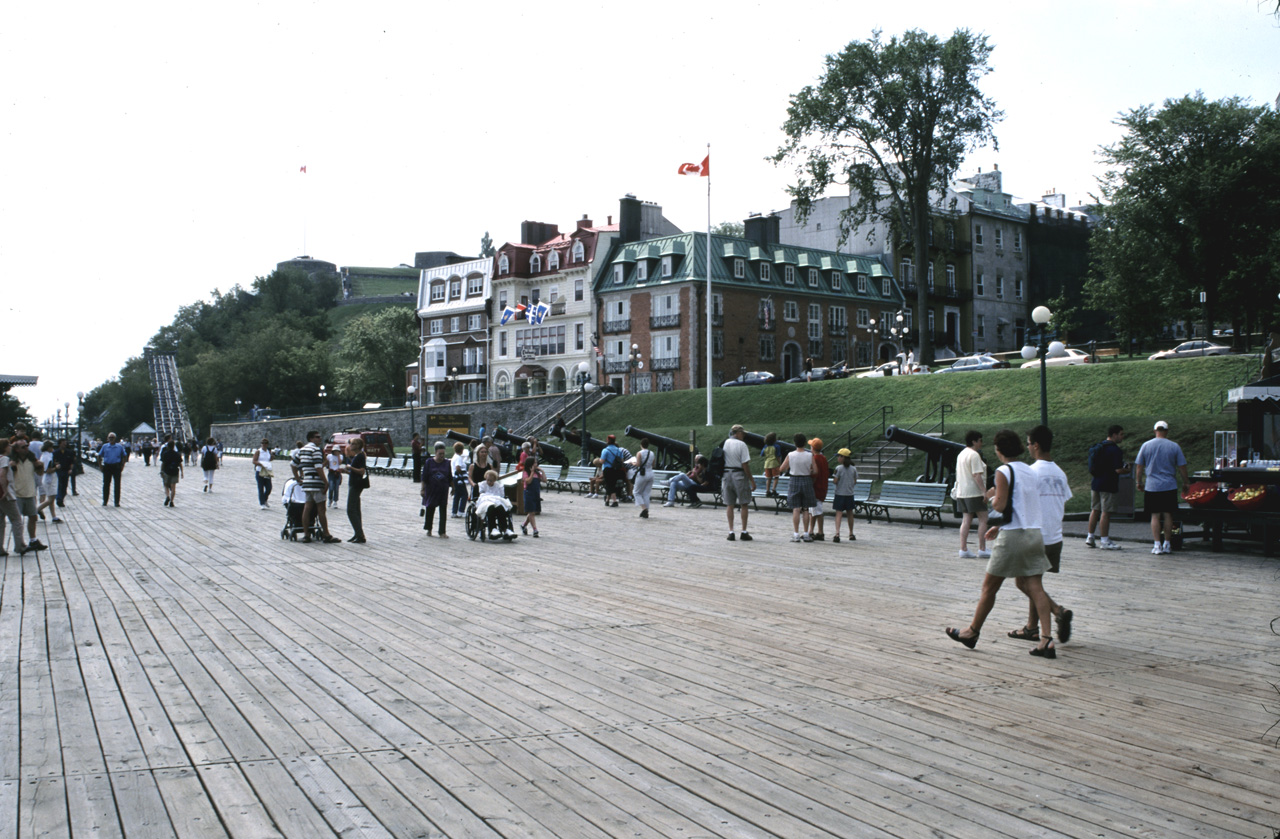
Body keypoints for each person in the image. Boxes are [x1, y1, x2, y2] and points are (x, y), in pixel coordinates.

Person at [946, 429, 1058, 659]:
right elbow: (1023, 503)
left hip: (1013, 537)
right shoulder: (1030, 470)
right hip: (1034, 532)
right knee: (1036, 587)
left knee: (990, 587)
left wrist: (992, 498)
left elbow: (1000, 505)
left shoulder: (1003, 471)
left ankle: (971, 632)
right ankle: (1046, 640)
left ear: (998, 450)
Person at [1011, 425, 1075, 644]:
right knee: (1035, 581)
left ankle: (1057, 610)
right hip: (1055, 537)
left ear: (1036, 445)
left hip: (1034, 536)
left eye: (1028, 443)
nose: (1027, 447)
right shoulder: (1060, 473)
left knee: (1023, 582)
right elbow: (1061, 501)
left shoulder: (1031, 472)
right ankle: (1031, 627)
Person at [1133, 420, 1188, 555]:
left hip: (1152, 485)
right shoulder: (1174, 446)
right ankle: (1167, 543)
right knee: (1168, 514)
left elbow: (1139, 466)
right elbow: (1182, 466)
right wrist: (1186, 482)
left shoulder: (1146, 445)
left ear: (1154, 431)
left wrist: (1138, 482)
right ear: (1167, 431)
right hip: (1169, 485)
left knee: (1155, 515)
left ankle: (1157, 544)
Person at [291, 430, 340, 543]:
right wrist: (325, 482)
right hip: (317, 482)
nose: (320, 439)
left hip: (307, 482)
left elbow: (293, 464)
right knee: (321, 509)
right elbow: (318, 467)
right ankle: (326, 534)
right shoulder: (316, 450)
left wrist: (298, 478)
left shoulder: (302, 450)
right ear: (311, 439)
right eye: (317, 437)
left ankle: (306, 534)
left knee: (307, 508)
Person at [1085, 425, 1129, 550]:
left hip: (1096, 482)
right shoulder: (1115, 450)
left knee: (1095, 510)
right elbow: (1118, 469)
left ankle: (1090, 536)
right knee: (1106, 512)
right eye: (1121, 434)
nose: (1122, 437)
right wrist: (1127, 470)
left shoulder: (1099, 447)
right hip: (1108, 484)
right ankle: (1104, 540)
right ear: (1114, 435)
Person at [955, 430, 990, 559]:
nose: (982, 443)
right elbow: (977, 475)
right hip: (974, 492)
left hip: (962, 492)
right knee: (983, 519)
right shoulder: (974, 455)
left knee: (966, 520)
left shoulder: (961, 454)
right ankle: (982, 548)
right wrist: (983, 491)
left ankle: (963, 549)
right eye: (980, 440)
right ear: (974, 441)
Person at [7, 439, 46, 554]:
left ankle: (33, 540)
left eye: (26, 446)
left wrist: (40, 466)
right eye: (23, 447)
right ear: (17, 449)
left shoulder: (31, 460)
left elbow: (40, 473)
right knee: (17, 521)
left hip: (30, 492)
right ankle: (19, 543)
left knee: (33, 517)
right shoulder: (12, 461)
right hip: (16, 493)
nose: (26, 448)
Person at [721, 424, 756, 541]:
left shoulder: (726, 443)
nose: (744, 436)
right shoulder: (742, 445)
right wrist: (751, 479)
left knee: (729, 504)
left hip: (726, 474)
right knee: (744, 503)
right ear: (738, 433)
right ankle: (743, 531)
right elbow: (745, 464)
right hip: (739, 475)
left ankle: (731, 531)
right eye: (743, 433)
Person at [0, 439, 33, 556]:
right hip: (6, 495)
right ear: (4, 448)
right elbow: (2, 475)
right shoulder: (4, 459)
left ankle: (0, 548)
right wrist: (5, 490)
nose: (10, 448)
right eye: (8, 446)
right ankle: (20, 546)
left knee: (1, 522)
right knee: (16, 520)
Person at [780, 434, 815, 542]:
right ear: (804, 443)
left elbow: (782, 468)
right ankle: (805, 533)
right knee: (805, 509)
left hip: (794, 480)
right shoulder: (810, 455)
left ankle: (796, 534)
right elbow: (816, 470)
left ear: (795, 443)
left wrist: (790, 468)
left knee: (796, 508)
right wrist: (809, 470)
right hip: (806, 480)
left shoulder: (790, 455)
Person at [421, 441, 451, 536]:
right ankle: (429, 529)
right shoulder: (429, 462)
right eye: (440, 454)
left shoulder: (447, 463)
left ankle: (442, 531)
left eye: (443, 453)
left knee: (443, 511)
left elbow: (450, 476)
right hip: (431, 489)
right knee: (430, 509)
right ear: (435, 452)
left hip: (443, 490)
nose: (442, 455)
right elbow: (424, 477)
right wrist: (422, 489)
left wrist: (453, 488)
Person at [475, 469, 516, 540]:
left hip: (497, 500)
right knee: (490, 508)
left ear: (494, 480)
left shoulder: (499, 485)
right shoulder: (482, 484)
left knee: (500, 507)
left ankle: (505, 529)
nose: (489, 482)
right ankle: (493, 529)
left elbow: (501, 496)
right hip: (486, 500)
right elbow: (482, 495)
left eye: (491, 480)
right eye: (488, 480)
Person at [831, 447, 858, 543]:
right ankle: (851, 533)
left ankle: (837, 533)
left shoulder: (838, 468)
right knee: (850, 513)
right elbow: (855, 481)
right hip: (849, 494)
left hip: (840, 494)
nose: (838, 458)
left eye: (839, 456)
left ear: (843, 457)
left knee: (839, 513)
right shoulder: (853, 469)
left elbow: (835, 481)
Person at [344, 438, 368, 543]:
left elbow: (361, 471)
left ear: (358, 445)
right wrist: (347, 471)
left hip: (356, 485)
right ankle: (358, 533)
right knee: (356, 509)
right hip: (354, 483)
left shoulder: (360, 456)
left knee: (351, 510)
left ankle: (360, 534)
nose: (351, 446)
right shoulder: (357, 456)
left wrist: (350, 467)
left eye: (353, 444)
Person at [807, 438, 829, 540]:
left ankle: (820, 532)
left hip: (816, 488)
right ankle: (811, 530)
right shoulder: (823, 458)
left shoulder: (815, 459)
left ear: (813, 448)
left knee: (818, 511)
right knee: (813, 511)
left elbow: (815, 475)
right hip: (822, 487)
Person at [98, 432, 127, 506]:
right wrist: (100, 466)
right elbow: (99, 456)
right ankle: (105, 501)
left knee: (117, 485)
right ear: (108, 438)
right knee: (106, 484)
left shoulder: (119, 447)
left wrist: (122, 465)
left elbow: (124, 456)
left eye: (112, 438)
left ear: (115, 438)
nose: (111, 439)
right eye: (110, 438)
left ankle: (117, 502)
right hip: (107, 466)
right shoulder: (105, 446)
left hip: (116, 467)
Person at [631, 439, 655, 518]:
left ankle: (644, 509)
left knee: (636, 492)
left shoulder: (639, 453)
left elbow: (638, 464)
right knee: (646, 493)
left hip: (642, 474)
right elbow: (653, 464)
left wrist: (632, 463)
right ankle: (646, 511)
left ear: (641, 445)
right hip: (650, 473)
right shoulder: (652, 453)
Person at [521, 457, 544, 536]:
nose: (536, 464)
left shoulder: (537, 474)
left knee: (532, 512)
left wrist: (542, 471)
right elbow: (528, 481)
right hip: (528, 493)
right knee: (531, 512)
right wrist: (531, 472)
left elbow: (544, 480)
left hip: (536, 493)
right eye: (534, 463)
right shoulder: (525, 472)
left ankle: (524, 525)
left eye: (536, 463)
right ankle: (535, 529)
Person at [600, 434, 626, 507]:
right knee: (611, 484)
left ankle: (615, 501)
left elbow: (602, 461)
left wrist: (599, 459)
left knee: (609, 485)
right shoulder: (619, 450)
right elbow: (622, 460)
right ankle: (607, 501)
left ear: (608, 440)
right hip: (616, 469)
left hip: (607, 470)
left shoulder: (605, 450)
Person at [36, 443, 59, 523]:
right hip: (50, 479)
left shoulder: (44, 456)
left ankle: (54, 516)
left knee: (51, 498)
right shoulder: (48, 457)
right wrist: (56, 467)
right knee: (51, 499)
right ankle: (37, 509)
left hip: (46, 478)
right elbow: (48, 470)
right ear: (49, 447)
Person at [159, 434, 183, 507]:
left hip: (167, 471)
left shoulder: (165, 454)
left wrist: (161, 471)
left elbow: (163, 463)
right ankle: (172, 501)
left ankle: (167, 496)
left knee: (166, 484)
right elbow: (180, 464)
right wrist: (182, 472)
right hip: (175, 471)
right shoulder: (177, 454)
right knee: (173, 487)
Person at [450, 442, 471, 518]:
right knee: (464, 495)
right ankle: (461, 511)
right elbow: (458, 467)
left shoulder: (454, 456)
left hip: (454, 478)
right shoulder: (458, 458)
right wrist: (462, 474)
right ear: (462, 450)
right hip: (459, 478)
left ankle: (454, 511)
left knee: (457, 495)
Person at [252, 438, 274, 509]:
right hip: (260, 471)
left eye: (265, 443)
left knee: (269, 488)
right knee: (261, 488)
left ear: (267, 444)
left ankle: (265, 499)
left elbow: (270, 459)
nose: (263, 444)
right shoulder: (258, 451)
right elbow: (254, 461)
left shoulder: (268, 451)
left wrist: (272, 456)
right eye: (262, 443)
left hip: (267, 471)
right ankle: (262, 503)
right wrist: (261, 464)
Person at [52, 439, 74, 508]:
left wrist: (71, 469)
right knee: (59, 485)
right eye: (63, 443)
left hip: (66, 470)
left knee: (64, 486)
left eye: (65, 443)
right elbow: (53, 461)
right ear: (59, 444)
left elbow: (72, 462)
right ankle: (59, 499)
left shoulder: (69, 452)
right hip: (59, 471)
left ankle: (61, 497)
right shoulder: (55, 452)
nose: (65, 444)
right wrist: (56, 465)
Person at [761, 432, 783, 497]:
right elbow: (778, 456)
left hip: (767, 464)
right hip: (774, 464)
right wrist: (780, 464)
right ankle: (773, 490)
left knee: (768, 478)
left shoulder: (765, 447)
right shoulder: (777, 446)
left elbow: (762, 454)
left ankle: (767, 491)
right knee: (776, 477)